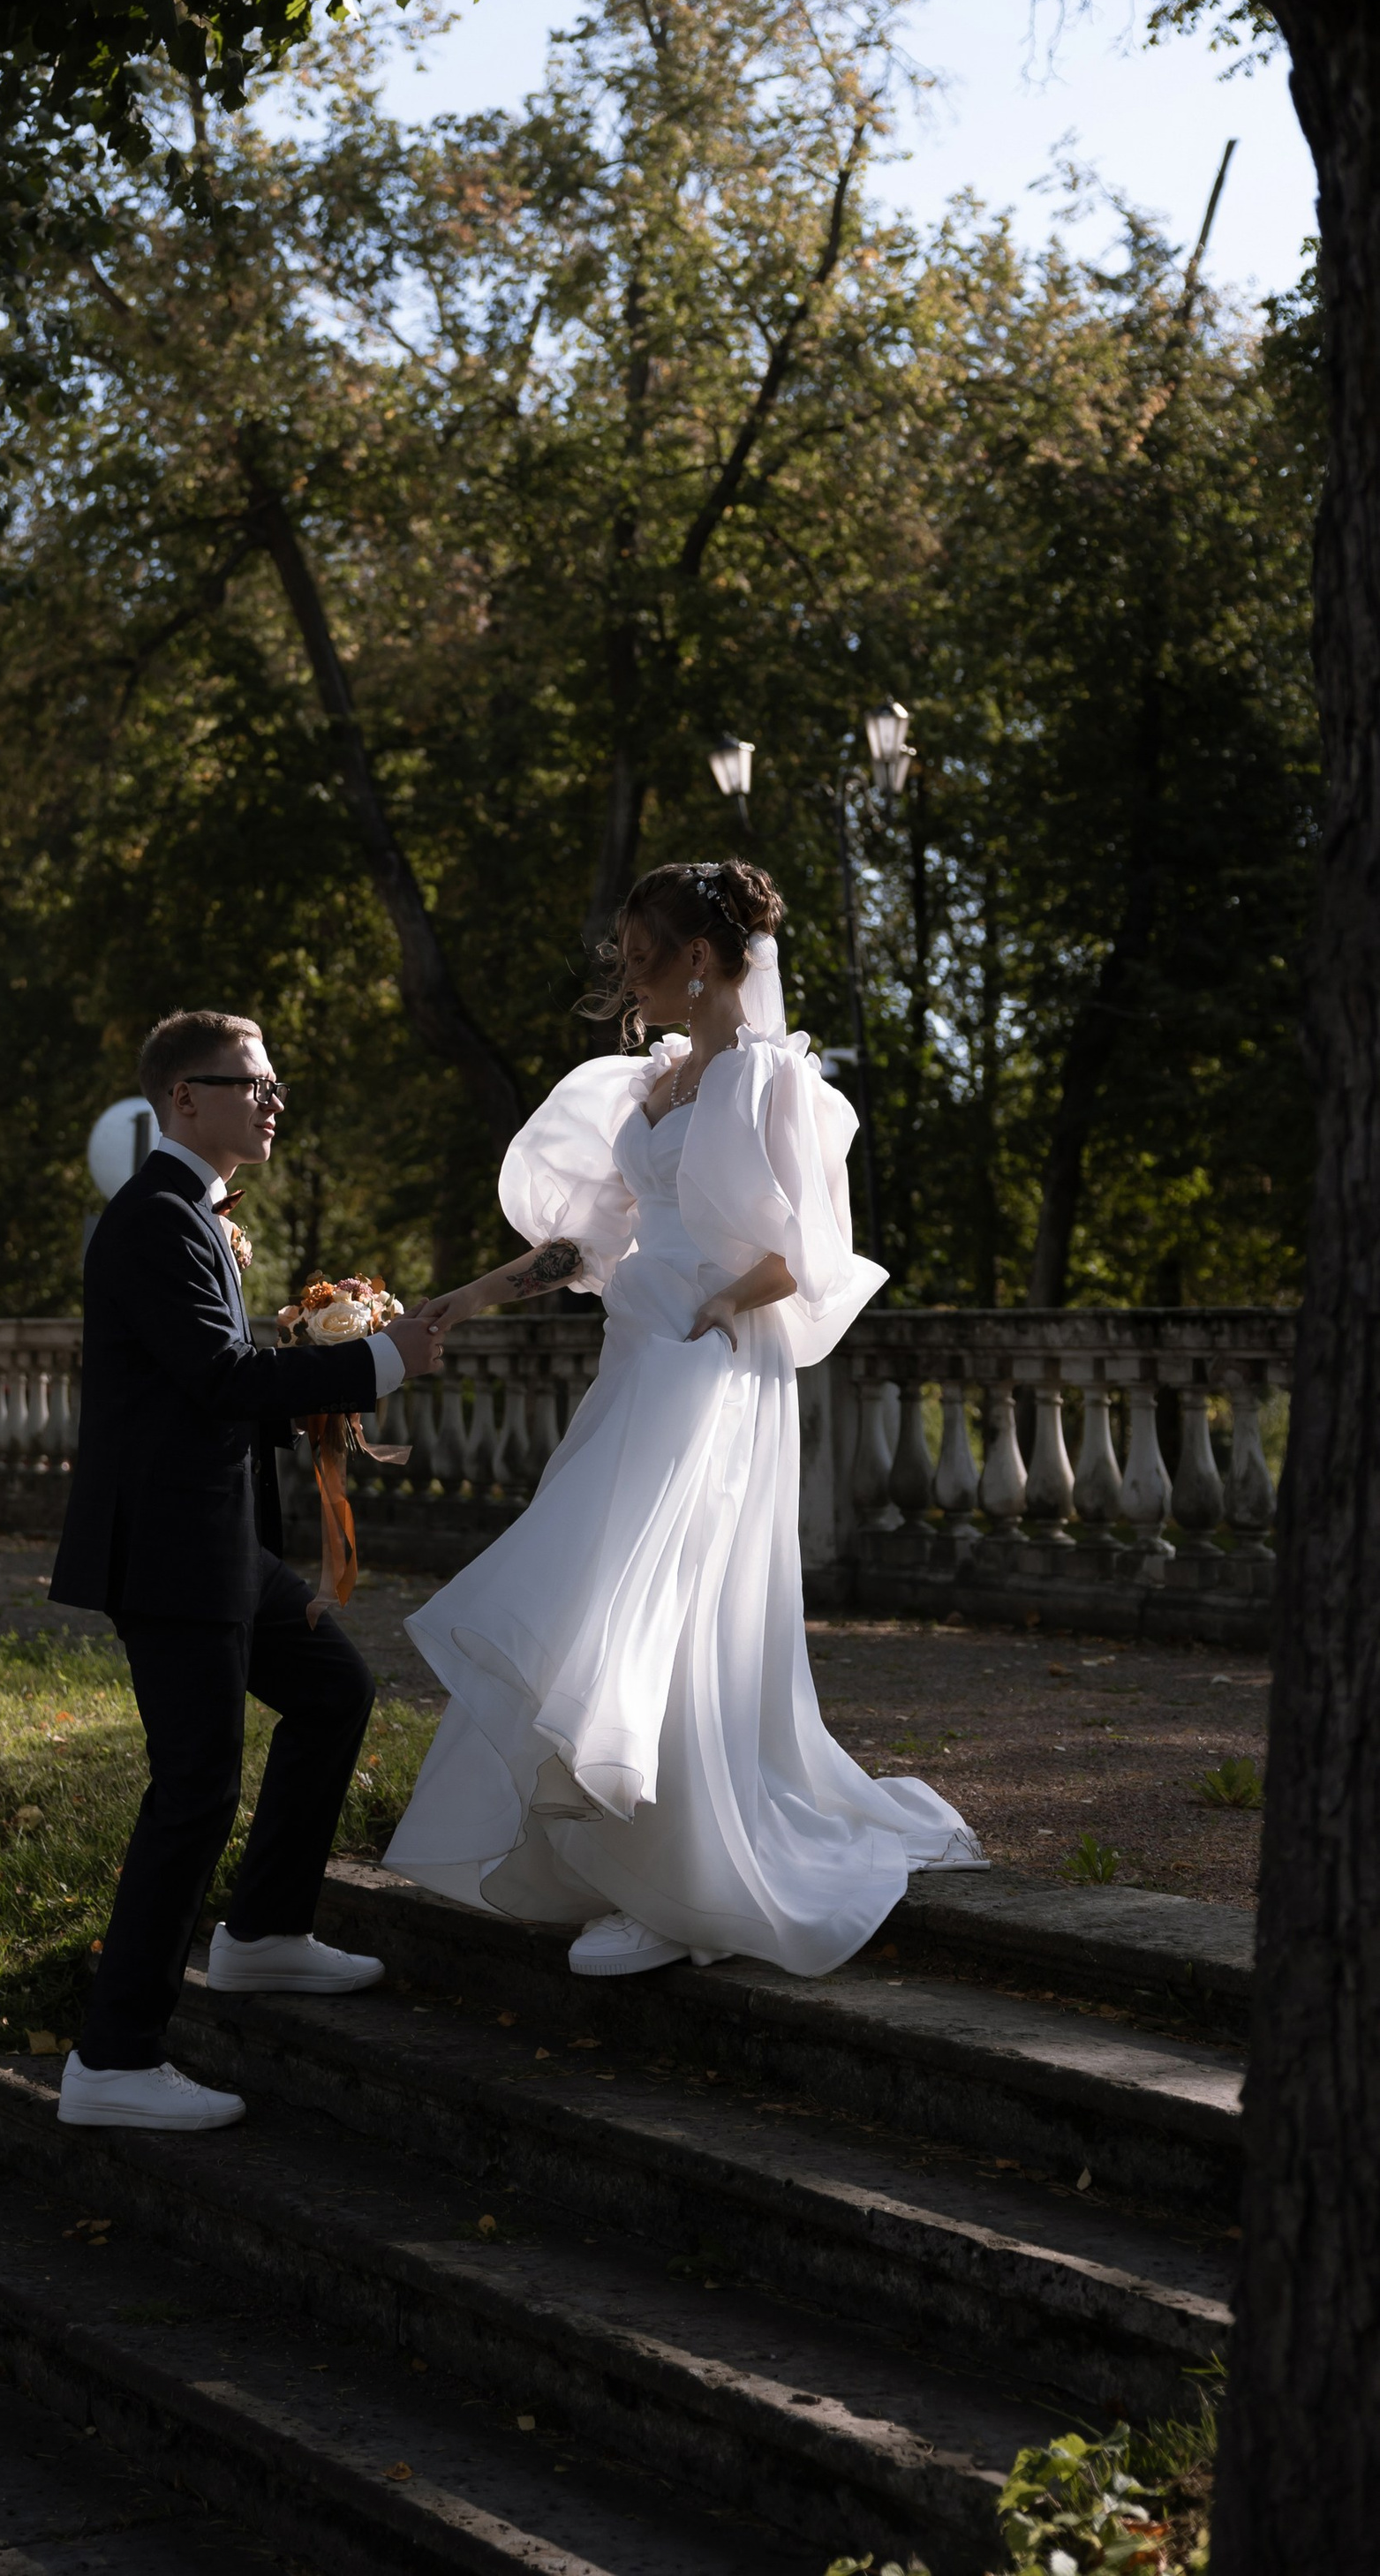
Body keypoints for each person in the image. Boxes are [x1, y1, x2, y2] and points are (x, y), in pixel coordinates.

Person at [385, 861, 985, 1977]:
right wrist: (472, 1295)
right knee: (596, 1585)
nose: (625, 972)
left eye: (641, 950)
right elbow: (593, 1240)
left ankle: (678, 1877)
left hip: (710, 1361)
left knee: (669, 1593)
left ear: (699, 957)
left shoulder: (770, 1083)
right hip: (636, 1354)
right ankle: (609, 1858)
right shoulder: (649, 1080)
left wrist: (718, 1306)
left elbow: (803, 1256)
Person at [49, 1006, 449, 2128]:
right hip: (171, 1554)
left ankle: (263, 1935)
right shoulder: (156, 1221)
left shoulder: (196, 1215)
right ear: (185, 1099)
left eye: (272, 1086)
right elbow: (221, 1380)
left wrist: (325, 1370)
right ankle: (112, 2061)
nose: (273, 1102)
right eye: (252, 1085)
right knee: (194, 1792)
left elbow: (214, 1381)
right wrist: (375, 1360)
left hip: (220, 1545)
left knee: (333, 1691)